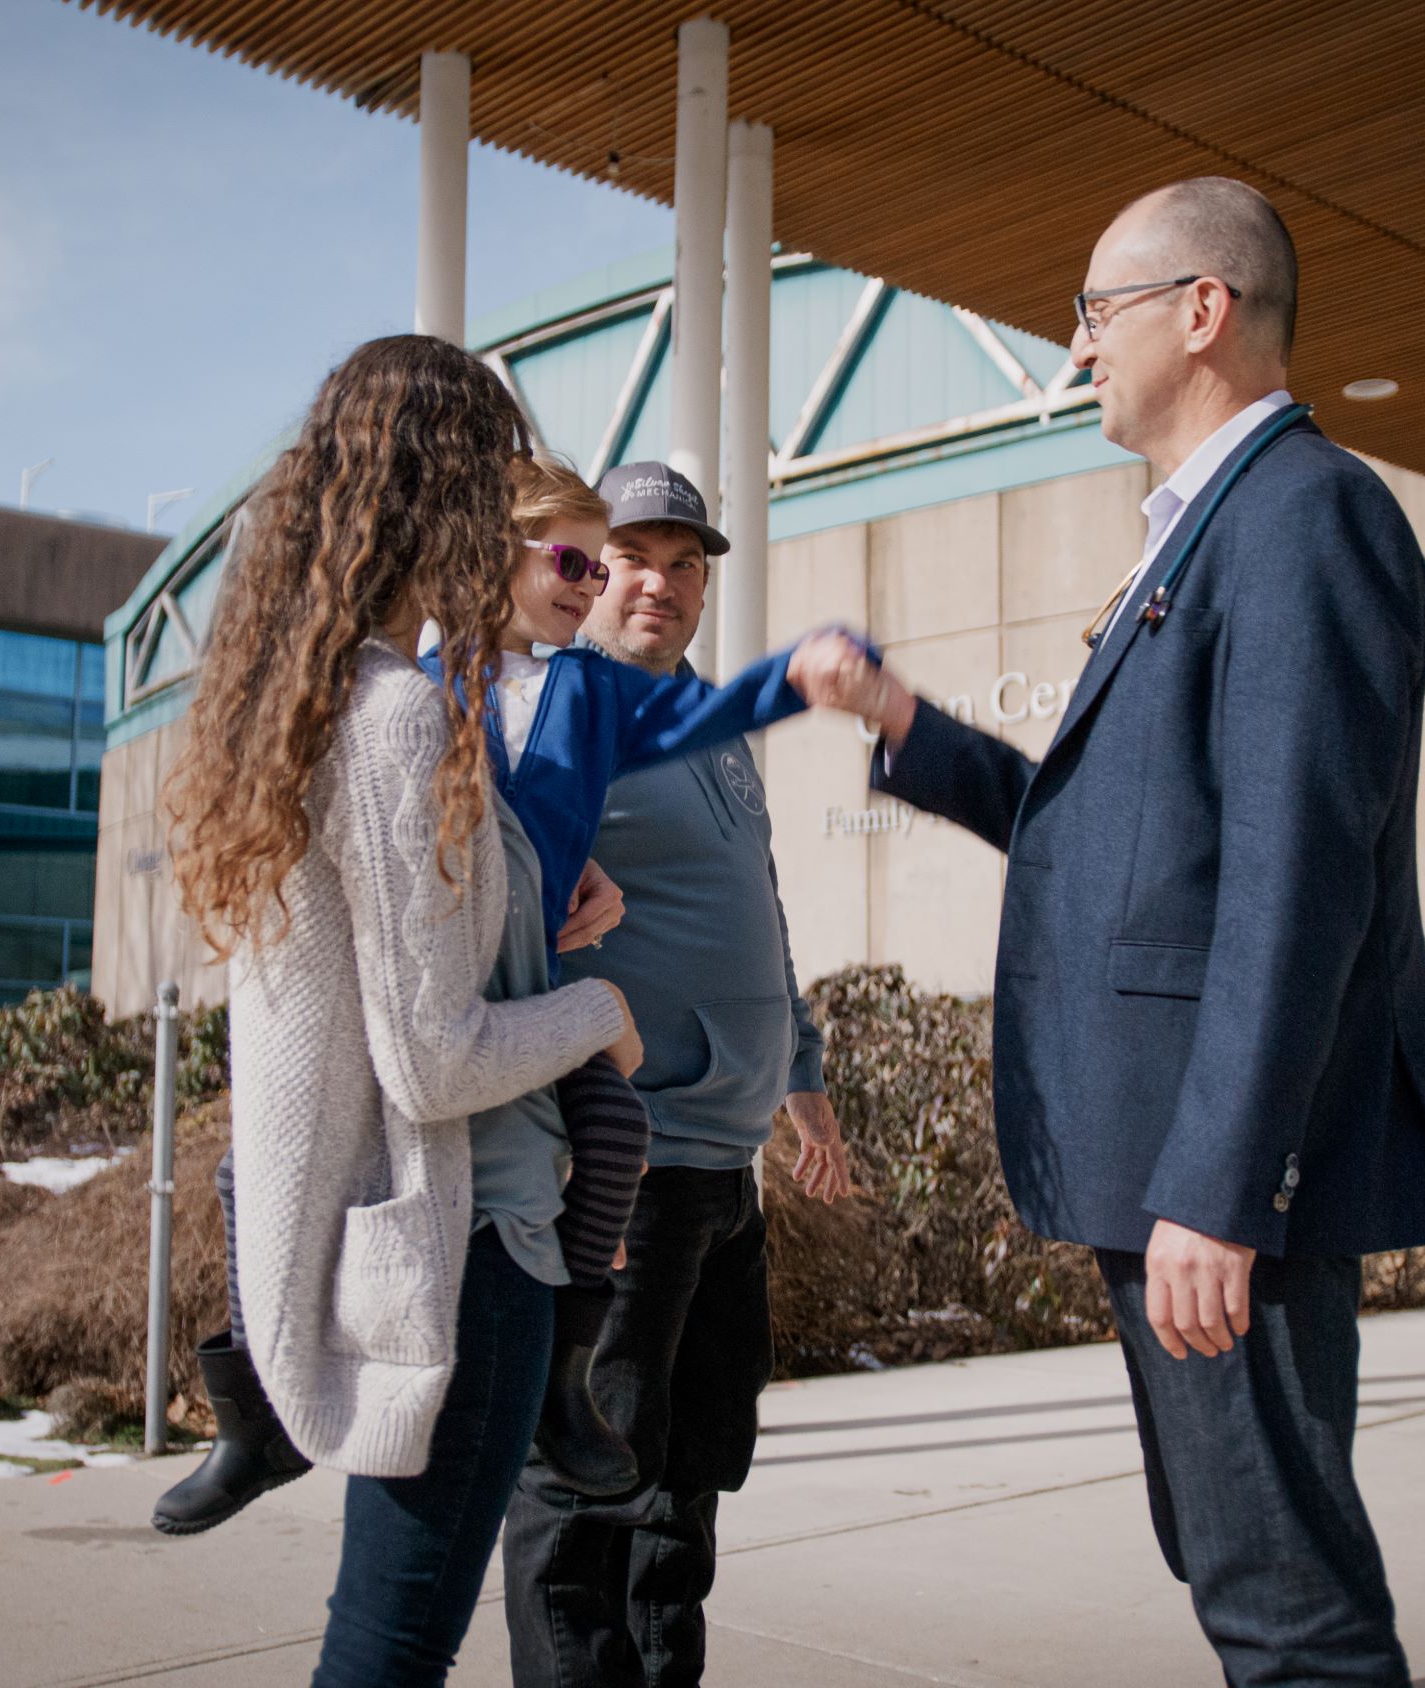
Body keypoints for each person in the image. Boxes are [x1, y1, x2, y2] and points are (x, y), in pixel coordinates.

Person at [801, 181, 1425, 1687]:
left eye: (1097, 310)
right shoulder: (1210, 533)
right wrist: (905, 722)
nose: (1076, 347)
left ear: (1203, 310)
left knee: (1279, 1591)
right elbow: (1110, 838)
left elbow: (1301, 880)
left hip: (1218, 1172)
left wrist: (1221, 1186)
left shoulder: (1305, 519)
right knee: (1228, 1542)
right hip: (1180, 1159)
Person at [155, 456, 873, 1524]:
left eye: (668, 564)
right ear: (496, 560)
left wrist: (794, 680)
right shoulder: (432, 696)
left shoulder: (591, 693)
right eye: (588, 560)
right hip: (445, 1009)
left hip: (584, 1057)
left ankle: (559, 1378)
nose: (601, 585)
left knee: (611, 1152)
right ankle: (255, 1404)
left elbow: (700, 760)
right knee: (254, 1166)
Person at [159, 332, 642, 1687]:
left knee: (377, 1648)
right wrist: (601, 1006)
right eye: (491, 478)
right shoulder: (394, 722)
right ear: (436, 492)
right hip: (465, 1253)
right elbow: (434, 1059)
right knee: (383, 1656)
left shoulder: (306, 706)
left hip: (421, 1242)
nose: (505, 511)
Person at [502, 460, 858, 1688]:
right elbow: (500, 908)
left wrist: (800, 1076)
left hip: (726, 1168)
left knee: (687, 1484)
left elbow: (757, 906)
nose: (661, 579)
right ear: (593, 569)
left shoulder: (709, 721)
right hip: (625, 1169)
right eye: (635, 554)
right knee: (584, 1490)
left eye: (685, 560)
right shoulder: (566, 708)